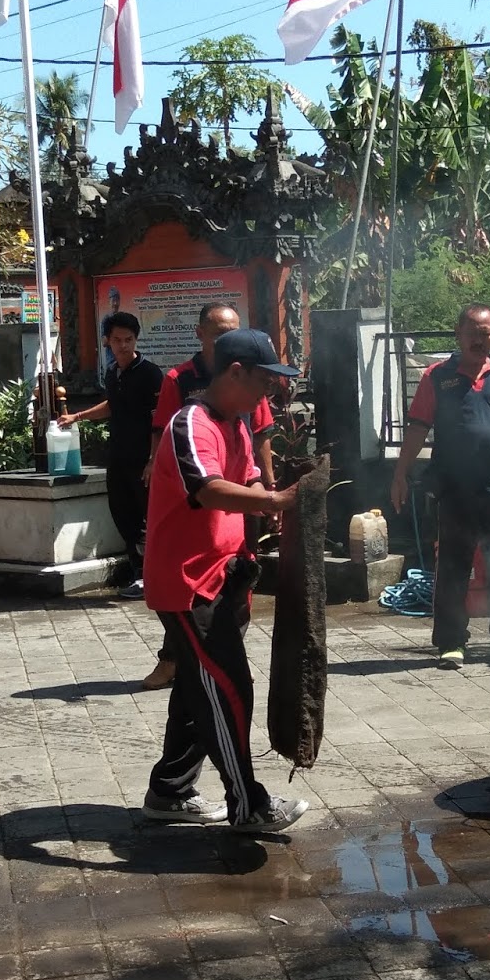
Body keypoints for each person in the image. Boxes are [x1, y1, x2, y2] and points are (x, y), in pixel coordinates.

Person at [141, 328, 310, 831]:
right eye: (264, 381)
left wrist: (262, 493)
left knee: (200, 690)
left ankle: (169, 790)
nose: (269, 392)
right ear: (236, 372)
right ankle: (248, 804)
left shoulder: (234, 423)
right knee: (229, 687)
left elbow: (246, 475)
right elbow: (209, 489)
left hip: (224, 575)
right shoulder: (191, 423)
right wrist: (275, 500)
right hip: (188, 583)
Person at [390, 304, 490, 669]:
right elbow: (417, 428)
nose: (478, 339)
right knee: (453, 571)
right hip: (454, 491)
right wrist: (400, 474)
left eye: (485, 333)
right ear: (458, 333)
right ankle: (451, 643)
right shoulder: (437, 376)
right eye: (472, 332)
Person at [59, 314, 175, 687]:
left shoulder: (150, 374)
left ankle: (146, 577)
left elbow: (160, 420)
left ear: (136, 340)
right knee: (122, 514)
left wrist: (153, 460)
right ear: (107, 341)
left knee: (145, 517)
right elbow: (112, 405)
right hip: (119, 457)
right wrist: (78, 416)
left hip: (144, 460)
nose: (123, 345)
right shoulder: (114, 373)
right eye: (117, 340)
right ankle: (137, 571)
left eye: (129, 339)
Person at [151, 304, 277, 492]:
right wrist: (154, 465)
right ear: (200, 333)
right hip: (198, 483)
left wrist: (270, 485)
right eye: (220, 334)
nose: (228, 341)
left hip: (243, 480)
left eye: (234, 333)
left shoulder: (250, 383)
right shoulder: (179, 381)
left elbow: (260, 431)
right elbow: (161, 431)